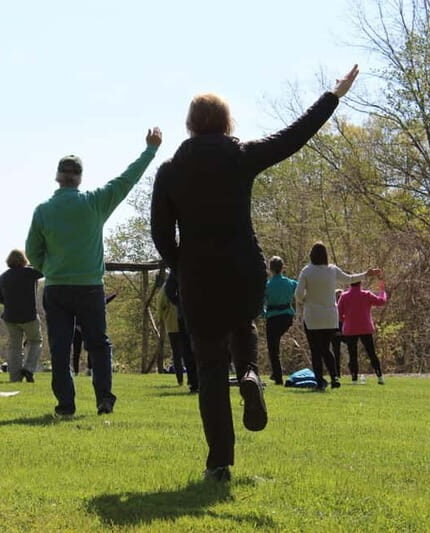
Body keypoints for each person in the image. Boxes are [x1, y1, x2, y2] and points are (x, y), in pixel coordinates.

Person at [151, 66, 360, 483]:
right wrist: (333, 96)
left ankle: (219, 464)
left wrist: (182, 264)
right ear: (226, 123)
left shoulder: (170, 171)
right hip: (244, 270)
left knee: (210, 367)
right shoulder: (241, 155)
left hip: (198, 276)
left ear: (190, 125)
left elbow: (160, 234)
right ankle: (249, 374)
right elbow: (294, 136)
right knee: (243, 325)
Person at [26, 127, 163, 417]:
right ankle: (104, 400)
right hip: (89, 286)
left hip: (57, 287)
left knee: (60, 349)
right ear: (79, 178)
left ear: (58, 176)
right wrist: (150, 150)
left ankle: (65, 405)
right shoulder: (95, 202)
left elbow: (32, 252)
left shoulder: (43, 211)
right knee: (99, 344)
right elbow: (127, 180)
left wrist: (49, 268)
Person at [295, 242, 379, 391]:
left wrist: (306, 299)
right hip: (330, 317)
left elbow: (298, 294)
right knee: (326, 348)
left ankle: (319, 381)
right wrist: (366, 274)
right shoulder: (332, 270)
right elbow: (350, 278)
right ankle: (334, 377)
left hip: (313, 316)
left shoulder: (307, 271)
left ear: (311, 255)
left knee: (316, 350)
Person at [0, 249, 43, 383]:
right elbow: (44, 270)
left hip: (10, 317)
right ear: (24, 260)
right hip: (29, 316)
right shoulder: (30, 273)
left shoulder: (4, 276)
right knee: (36, 341)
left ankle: (15, 377)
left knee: (14, 347)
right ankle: (29, 368)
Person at [337, 279, 388, 384]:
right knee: (371, 353)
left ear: (350, 283)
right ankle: (379, 376)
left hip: (350, 328)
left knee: (353, 355)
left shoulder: (344, 296)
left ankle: (354, 379)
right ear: (360, 283)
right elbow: (381, 301)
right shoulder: (366, 295)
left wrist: (346, 320)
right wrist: (382, 291)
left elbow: (339, 313)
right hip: (365, 328)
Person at [263, 256, 298, 385]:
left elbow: (261, 302)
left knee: (273, 348)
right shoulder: (290, 283)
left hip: (273, 317)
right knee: (276, 342)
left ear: (270, 269)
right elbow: (301, 290)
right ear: (282, 268)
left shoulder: (267, 285)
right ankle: (275, 374)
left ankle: (278, 376)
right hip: (287, 317)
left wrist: (263, 314)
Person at [163, 273, 198, 392]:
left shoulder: (180, 266)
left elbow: (169, 290)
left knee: (187, 349)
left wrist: (180, 302)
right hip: (204, 311)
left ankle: (194, 382)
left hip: (185, 314)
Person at [71, 292, 117, 376]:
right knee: (77, 351)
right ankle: (76, 371)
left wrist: (114, 295)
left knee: (90, 349)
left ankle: (89, 369)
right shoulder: (78, 302)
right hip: (78, 329)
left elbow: (104, 301)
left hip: (87, 328)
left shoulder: (91, 303)